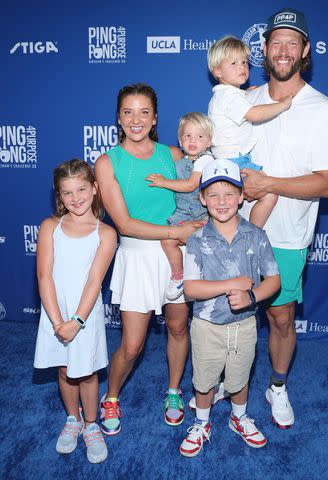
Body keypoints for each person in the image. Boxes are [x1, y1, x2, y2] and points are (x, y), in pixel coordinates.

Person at [241, 8, 328, 429]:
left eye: (292, 42)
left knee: (280, 317)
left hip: (285, 237)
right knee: (224, 318)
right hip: (232, 233)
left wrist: (269, 183)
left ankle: (278, 387)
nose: (283, 50)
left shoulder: (324, 110)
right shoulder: (243, 101)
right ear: (264, 49)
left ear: (304, 50)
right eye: (276, 41)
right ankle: (220, 392)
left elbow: (326, 184)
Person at [94, 83, 200, 435]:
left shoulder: (174, 155)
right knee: (133, 343)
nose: (136, 120)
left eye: (143, 112)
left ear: (155, 118)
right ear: (118, 118)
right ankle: (111, 395)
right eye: (128, 112)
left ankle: (173, 391)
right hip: (139, 257)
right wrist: (176, 234)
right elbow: (124, 224)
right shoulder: (107, 163)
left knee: (178, 327)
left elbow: (207, 184)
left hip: (177, 255)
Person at [179, 159, 280, 457]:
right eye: (212, 194)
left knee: (239, 378)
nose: (221, 201)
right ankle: (201, 423)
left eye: (229, 193)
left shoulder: (256, 235)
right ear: (201, 199)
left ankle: (239, 417)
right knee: (204, 379)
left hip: (244, 325)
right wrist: (232, 284)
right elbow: (191, 288)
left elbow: (273, 279)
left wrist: (251, 296)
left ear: (241, 196)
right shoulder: (196, 239)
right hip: (206, 326)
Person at [33, 159, 117, 464]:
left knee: (87, 371)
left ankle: (91, 424)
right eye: (67, 193)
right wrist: (58, 322)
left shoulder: (106, 233)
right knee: (65, 369)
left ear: (94, 189)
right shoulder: (49, 227)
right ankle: (73, 419)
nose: (76, 197)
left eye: (81, 189)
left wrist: (76, 322)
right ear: (59, 195)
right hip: (55, 311)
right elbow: (44, 276)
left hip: (85, 314)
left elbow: (95, 280)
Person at [207, 35, 292, 228]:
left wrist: (245, 93)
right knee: (269, 194)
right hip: (235, 161)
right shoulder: (229, 97)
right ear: (218, 71)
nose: (242, 67)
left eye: (244, 62)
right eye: (234, 63)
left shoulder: (227, 94)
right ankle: (252, 235)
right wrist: (283, 104)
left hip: (228, 160)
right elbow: (254, 114)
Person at [146, 112, 214, 301]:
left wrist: (163, 182)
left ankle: (201, 276)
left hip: (200, 216)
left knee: (202, 248)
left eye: (200, 137)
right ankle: (178, 276)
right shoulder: (181, 162)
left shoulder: (205, 160)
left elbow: (191, 185)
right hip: (182, 214)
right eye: (188, 136)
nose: (193, 141)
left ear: (209, 142)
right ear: (180, 140)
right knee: (167, 241)